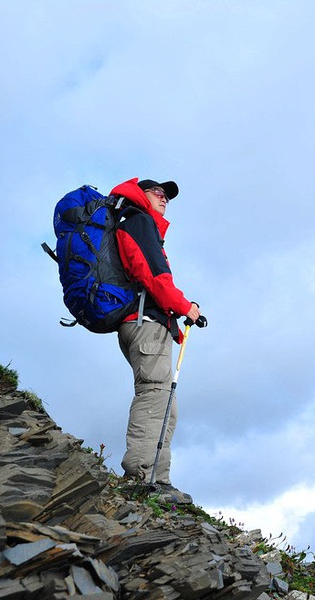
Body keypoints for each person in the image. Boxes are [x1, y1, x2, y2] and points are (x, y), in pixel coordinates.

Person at [109, 177, 201, 504]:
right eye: (157, 192)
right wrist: (186, 307)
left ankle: (158, 480)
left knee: (166, 405)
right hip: (145, 322)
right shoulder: (140, 222)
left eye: (167, 195)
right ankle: (139, 480)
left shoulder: (134, 222)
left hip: (143, 323)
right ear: (141, 194)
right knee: (153, 397)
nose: (164, 198)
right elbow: (154, 276)